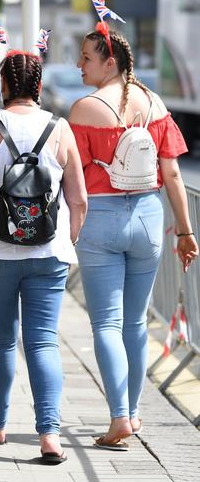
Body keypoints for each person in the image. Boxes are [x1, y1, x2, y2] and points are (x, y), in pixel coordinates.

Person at [0, 50, 87, 463]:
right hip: (49, 253)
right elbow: (79, 200)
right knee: (43, 341)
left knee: (0, 338)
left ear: (4, 85)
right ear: (40, 87)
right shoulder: (61, 130)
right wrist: (67, 242)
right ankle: (49, 436)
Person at [68, 25, 198, 450]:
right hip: (148, 216)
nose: (78, 64)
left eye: (86, 57)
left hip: (101, 221)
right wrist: (185, 230)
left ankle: (119, 417)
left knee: (106, 322)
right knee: (136, 322)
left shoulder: (83, 109)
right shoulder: (154, 103)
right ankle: (135, 412)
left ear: (110, 61)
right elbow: (173, 173)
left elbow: (72, 182)